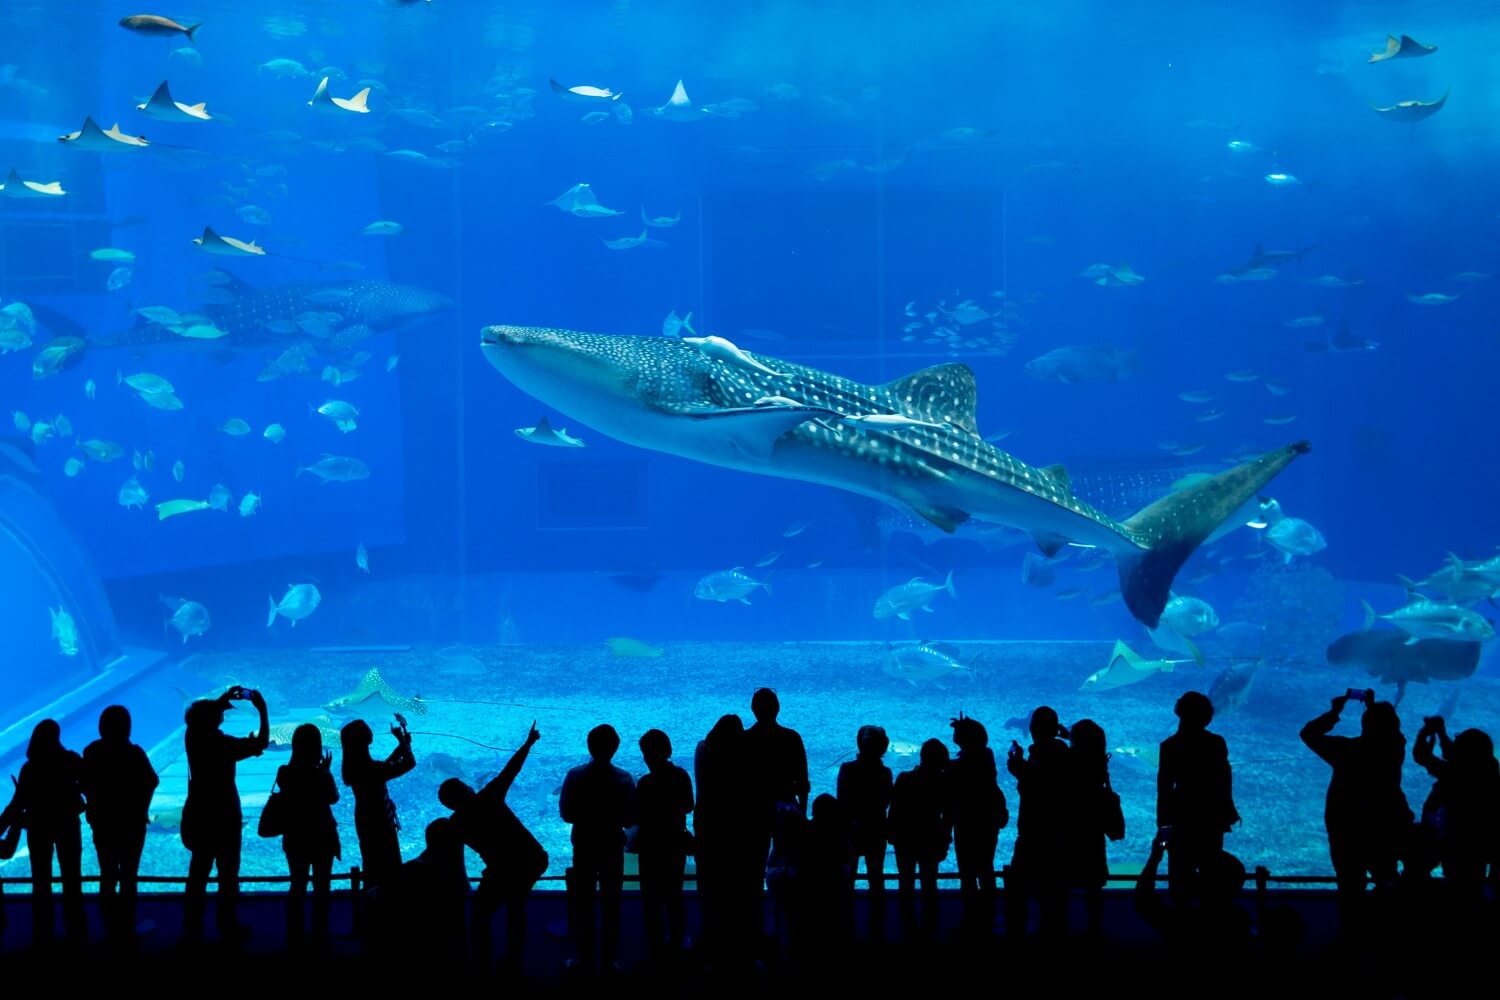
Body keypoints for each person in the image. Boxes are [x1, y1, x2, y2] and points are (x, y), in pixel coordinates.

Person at [440, 722, 548, 975]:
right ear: (466, 792)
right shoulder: (488, 796)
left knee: (480, 914)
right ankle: (513, 959)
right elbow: (512, 770)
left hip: (505, 868)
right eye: (466, 787)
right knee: (516, 905)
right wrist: (528, 743)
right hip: (530, 859)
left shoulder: (456, 823)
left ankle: (483, 961)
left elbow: (447, 852)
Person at [1300, 690, 1412, 916]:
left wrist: (1335, 711)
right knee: (1386, 877)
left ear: (1365, 725)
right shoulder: (1395, 749)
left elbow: (1309, 734)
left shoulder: (1345, 751)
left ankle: (1351, 932)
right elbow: (1389, 730)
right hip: (1385, 826)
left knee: (1350, 885)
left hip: (1346, 830)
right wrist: (1370, 706)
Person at [182, 685, 270, 943]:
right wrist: (262, 710)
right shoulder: (222, 744)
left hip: (198, 814)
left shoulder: (192, 738)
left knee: (198, 872)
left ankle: (192, 925)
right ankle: (227, 924)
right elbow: (261, 742)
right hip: (225, 816)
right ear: (212, 719)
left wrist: (220, 701)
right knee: (228, 874)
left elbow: (200, 720)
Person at [559, 723, 637, 974]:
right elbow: (629, 819)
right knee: (612, 902)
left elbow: (567, 814)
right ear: (615, 748)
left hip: (584, 843)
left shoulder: (575, 775)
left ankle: (582, 956)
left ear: (589, 746)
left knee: (583, 902)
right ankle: (610, 958)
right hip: (612, 845)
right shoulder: (624, 779)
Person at [81, 704, 159, 942]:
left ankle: (109, 927)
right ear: (127, 727)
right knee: (128, 876)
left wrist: (94, 803)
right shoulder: (134, 753)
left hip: (103, 823)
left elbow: (83, 782)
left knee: (107, 874)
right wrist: (142, 807)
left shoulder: (92, 751)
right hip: (131, 824)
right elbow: (152, 781)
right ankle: (126, 926)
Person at [1157, 690, 1239, 903]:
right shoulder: (1216, 743)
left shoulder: (1169, 746)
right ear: (1207, 717)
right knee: (1211, 876)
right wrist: (1227, 812)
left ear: (1179, 711)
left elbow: (1164, 791)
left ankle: (1181, 926)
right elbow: (1224, 781)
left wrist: (1164, 830)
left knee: (1179, 879)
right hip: (1210, 819)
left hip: (1180, 819)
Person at [11, 719, 86, 944]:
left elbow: (20, 800)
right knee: (72, 877)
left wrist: (8, 821)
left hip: (38, 827)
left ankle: (42, 930)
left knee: (41, 880)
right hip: (67, 824)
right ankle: (76, 928)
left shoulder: (29, 767)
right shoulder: (71, 759)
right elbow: (87, 785)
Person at [1411, 715, 1498, 899]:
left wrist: (1423, 735)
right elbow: (1455, 755)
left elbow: (1421, 755)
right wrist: (1442, 733)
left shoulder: (1453, 774)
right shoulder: (1489, 767)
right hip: (1478, 843)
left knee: (1457, 885)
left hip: (1452, 841)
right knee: (1473, 884)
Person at [693, 714, 754, 966]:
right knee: (738, 882)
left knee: (709, 882)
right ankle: (738, 939)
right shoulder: (744, 755)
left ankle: (711, 935)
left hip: (708, 821)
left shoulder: (703, 750)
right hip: (737, 825)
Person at [1005, 706, 1070, 941]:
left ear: (1031, 729)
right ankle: (1054, 932)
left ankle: (1020, 933)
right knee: (1055, 890)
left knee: (1021, 886)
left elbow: (1035, 789)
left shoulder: (1040, 755)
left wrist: (1018, 768)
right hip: (1059, 833)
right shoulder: (1065, 752)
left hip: (1034, 833)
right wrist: (1068, 736)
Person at [275, 723, 341, 948]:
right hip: (322, 837)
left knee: (297, 884)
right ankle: (320, 932)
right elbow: (333, 798)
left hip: (295, 837)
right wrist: (326, 772)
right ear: (317, 747)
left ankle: (294, 933)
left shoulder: (284, 772)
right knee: (322, 886)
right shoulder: (320, 775)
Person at [633, 728, 694, 959]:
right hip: (675, 843)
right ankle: (678, 939)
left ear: (647, 755)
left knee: (651, 897)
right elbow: (689, 805)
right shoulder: (681, 776)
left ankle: (655, 944)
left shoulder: (645, 783)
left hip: (650, 846)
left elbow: (637, 816)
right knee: (674, 893)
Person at [341, 715, 416, 888]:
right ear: (365, 739)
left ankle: (371, 904)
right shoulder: (373, 769)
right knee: (390, 869)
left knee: (372, 865)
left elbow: (386, 765)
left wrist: (401, 745)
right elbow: (409, 763)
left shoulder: (356, 767)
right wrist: (405, 744)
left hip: (365, 821)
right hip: (381, 822)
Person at [888, 738, 953, 940]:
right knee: (929, 885)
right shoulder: (941, 782)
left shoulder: (904, 779)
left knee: (905, 884)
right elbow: (947, 816)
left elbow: (894, 810)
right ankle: (929, 930)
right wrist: (944, 839)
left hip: (905, 840)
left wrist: (892, 835)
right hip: (930, 840)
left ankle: (907, 929)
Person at [950, 713, 1007, 935]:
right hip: (987, 822)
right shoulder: (986, 758)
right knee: (985, 868)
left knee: (968, 873)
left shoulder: (960, 765)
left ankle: (972, 919)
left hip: (967, 823)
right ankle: (987, 918)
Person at [1068, 718, 1125, 938]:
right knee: (1093, 888)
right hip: (1093, 835)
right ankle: (1095, 932)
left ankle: (1058, 932)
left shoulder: (1069, 763)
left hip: (1070, 833)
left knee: (1062, 886)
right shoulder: (1098, 762)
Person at [836, 724, 893, 938]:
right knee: (876, 877)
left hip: (851, 831)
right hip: (876, 829)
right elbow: (885, 801)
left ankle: (845, 924)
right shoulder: (885, 772)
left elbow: (841, 800)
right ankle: (878, 926)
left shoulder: (848, 769)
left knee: (847, 877)